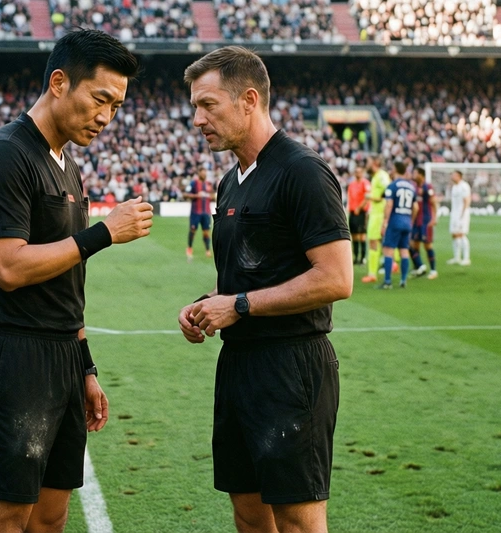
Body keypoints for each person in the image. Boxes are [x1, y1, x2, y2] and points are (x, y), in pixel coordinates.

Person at [0, 29, 150, 533]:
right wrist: (103, 233)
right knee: (4, 519)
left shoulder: (67, 164)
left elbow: (68, 285)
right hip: (12, 356)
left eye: (117, 105)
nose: (107, 117)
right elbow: (9, 267)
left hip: (62, 357)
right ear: (60, 82)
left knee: (50, 518)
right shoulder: (6, 154)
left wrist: (84, 365)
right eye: (101, 99)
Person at [177, 47, 352, 533]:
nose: (197, 120)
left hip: (291, 365)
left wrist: (238, 305)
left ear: (249, 99)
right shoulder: (229, 183)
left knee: (297, 520)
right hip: (239, 366)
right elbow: (248, 275)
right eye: (195, 107)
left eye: (208, 105)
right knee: (249, 514)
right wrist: (205, 306)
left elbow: (336, 278)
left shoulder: (302, 171)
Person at [378, 161, 417, 289]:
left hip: (395, 220)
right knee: (404, 251)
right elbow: (416, 207)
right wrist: (411, 220)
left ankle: (387, 281)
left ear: (395, 169)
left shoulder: (392, 186)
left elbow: (389, 204)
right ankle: (403, 280)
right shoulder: (411, 186)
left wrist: (384, 222)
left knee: (388, 250)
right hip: (407, 221)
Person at [362, 157, 390, 283]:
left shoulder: (381, 175)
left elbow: (388, 191)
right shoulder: (375, 176)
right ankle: (388, 265)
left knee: (373, 242)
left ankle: (372, 273)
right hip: (375, 213)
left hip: (379, 214)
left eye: (367, 162)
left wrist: (374, 197)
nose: (365, 165)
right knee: (378, 242)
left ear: (374, 163)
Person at [410, 166, 439, 279]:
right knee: (413, 245)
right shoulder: (415, 187)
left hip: (426, 221)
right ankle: (419, 267)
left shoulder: (428, 187)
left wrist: (434, 218)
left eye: (415, 173)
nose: (413, 175)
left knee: (427, 245)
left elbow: (434, 202)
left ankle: (433, 270)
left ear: (421, 175)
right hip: (416, 221)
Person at [183, 166, 216, 261]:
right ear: (199, 173)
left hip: (206, 212)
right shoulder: (193, 183)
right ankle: (189, 248)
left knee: (206, 232)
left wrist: (212, 196)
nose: (204, 174)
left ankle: (207, 250)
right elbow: (185, 194)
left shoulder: (209, 184)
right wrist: (197, 195)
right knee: (193, 230)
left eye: (205, 172)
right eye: (203, 172)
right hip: (195, 212)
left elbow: (213, 195)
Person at [346, 166, 371, 265]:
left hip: (361, 212)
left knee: (362, 235)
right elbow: (350, 197)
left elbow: (367, 197)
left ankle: (363, 258)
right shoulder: (352, 184)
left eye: (359, 171)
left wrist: (359, 208)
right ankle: (356, 257)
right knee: (354, 235)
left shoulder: (365, 183)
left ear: (362, 172)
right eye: (356, 171)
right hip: (353, 211)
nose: (358, 173)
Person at [447, 170, 472, 266]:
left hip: (462, 214)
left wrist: (463, 214)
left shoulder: (464, 186)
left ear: (459, 176)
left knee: (461, 234)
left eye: (454, 175)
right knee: (454, 234)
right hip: (454, 214)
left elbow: (467, 200)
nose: (452, 176)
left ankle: (466, 258)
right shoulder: (454, 187)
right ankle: (457, 257)